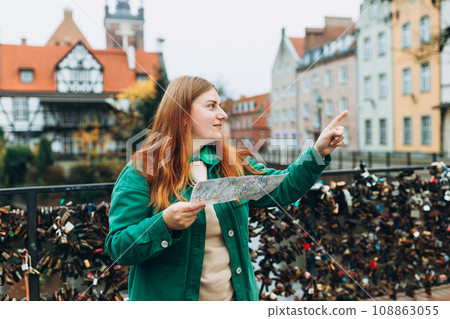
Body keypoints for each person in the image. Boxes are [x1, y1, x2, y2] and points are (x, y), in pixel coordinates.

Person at [104, 75, 347, 301]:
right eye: (211, 106)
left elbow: (282, 188)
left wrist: (318, 152)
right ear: (182, 115)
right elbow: (118, 248)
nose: (223, 114)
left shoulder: (230, 164)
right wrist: (164, 224)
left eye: (220, 106)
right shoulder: (143, 170)